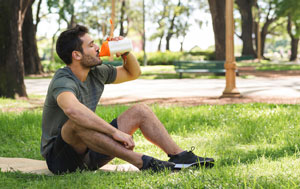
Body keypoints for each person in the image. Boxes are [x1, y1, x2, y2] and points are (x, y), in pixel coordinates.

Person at [40, 25, 214, 175]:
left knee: (140, 111)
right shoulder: (63, 80)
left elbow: (133, 73)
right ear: (77, 55)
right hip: (61, 160)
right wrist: (114, 132)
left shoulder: (97, 72)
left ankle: (179, 156)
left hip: (92, 151)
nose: (98, 48)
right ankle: (143, 163)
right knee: (75, 122)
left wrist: (125, 52)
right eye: (91, 45)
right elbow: (73, 110)